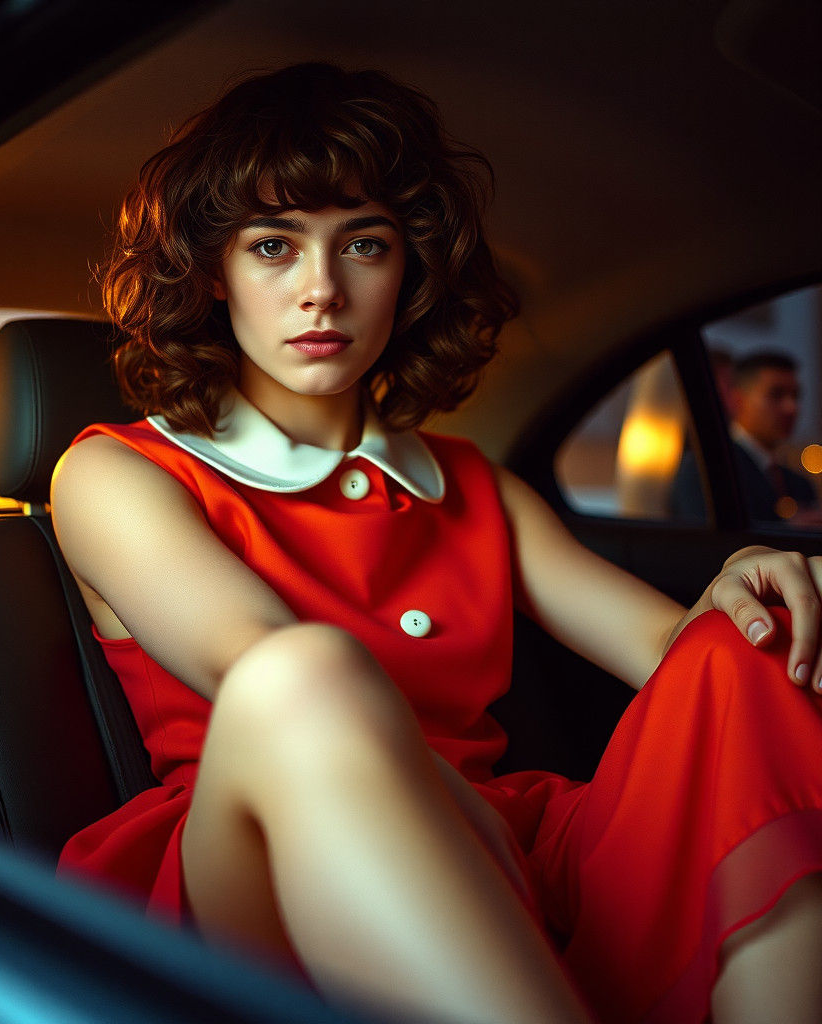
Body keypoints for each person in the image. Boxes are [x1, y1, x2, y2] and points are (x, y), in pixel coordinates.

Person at [51, 64, 822, 1024]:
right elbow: (259, 666)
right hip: (262, 855)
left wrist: (744, 586)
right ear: (216, 273)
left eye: (363, 245)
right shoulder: (117, 473)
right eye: (273, 246)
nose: (322, 290)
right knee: (301, 675)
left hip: (506, 838)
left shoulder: (470, 484)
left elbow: (682, 663)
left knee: (756, 644)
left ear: (407, 268)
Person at [671, 349, 820, 525]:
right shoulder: (706, 469)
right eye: (776, 394)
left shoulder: (799, 483)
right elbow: (706, 538)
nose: (791, 407)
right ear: (737, 400)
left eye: (795, 395)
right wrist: (789, 529)